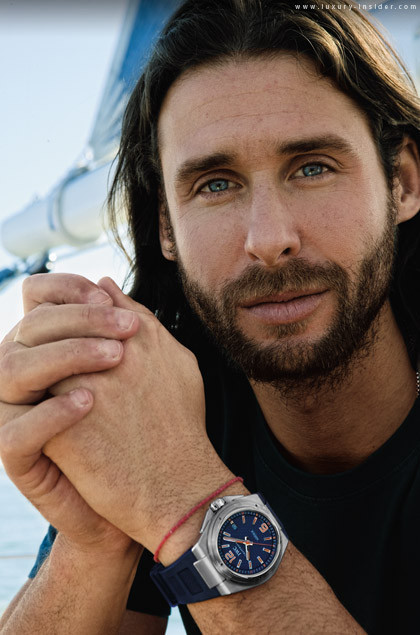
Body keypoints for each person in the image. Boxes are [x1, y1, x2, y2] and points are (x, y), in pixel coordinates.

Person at [1, 0, 420, 632]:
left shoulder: (171, 453)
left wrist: (186, 500)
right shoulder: (165, 402)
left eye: (313, 168)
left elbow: (175, 489)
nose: (269, 239)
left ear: (403, 183)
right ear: (166, 227)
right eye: (216, 184)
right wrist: (94, 541)